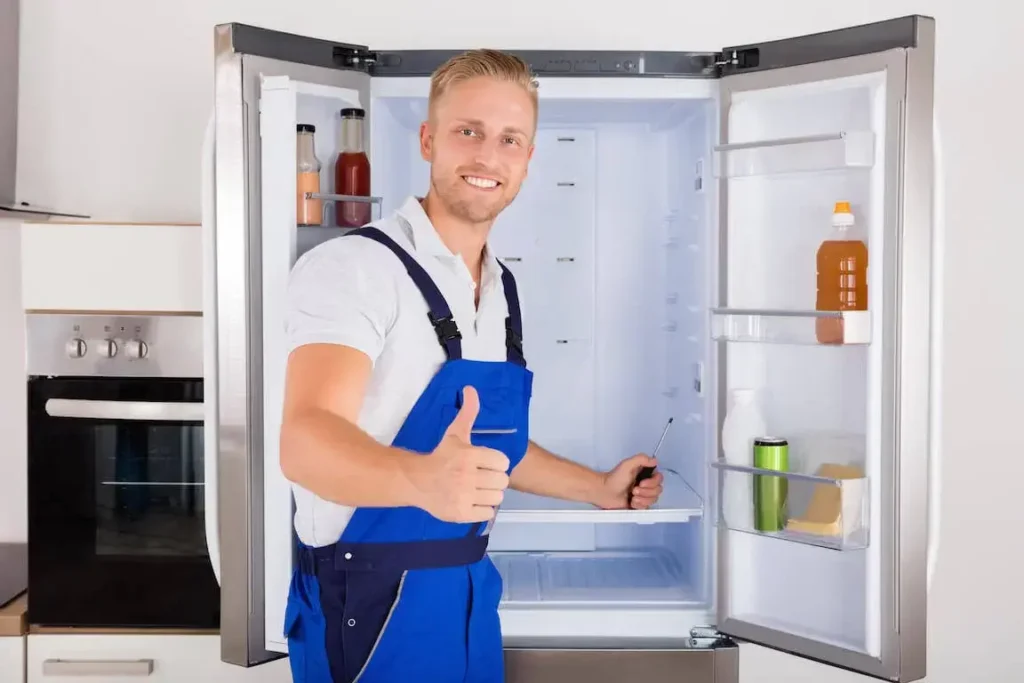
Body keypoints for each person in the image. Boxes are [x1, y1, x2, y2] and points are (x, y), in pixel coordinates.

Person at [278, 48, 665, 683]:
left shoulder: (501, 286)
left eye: (510, 139)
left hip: (468, 596)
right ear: (429, 140)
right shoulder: (355, 269)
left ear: (529, 160)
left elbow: (486, 451)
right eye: (468, 132)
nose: (489, 156)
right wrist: (421, 481)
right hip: (368, 606)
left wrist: (598, 488)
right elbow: (305, 441)